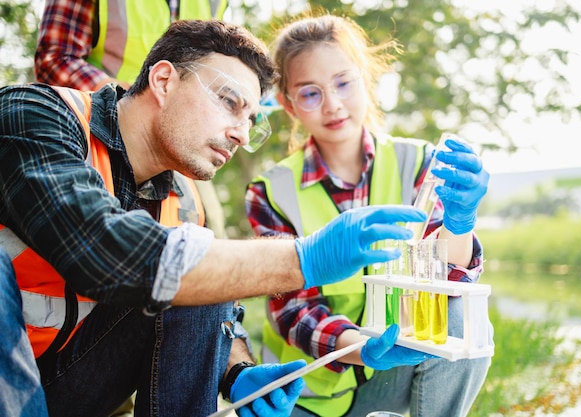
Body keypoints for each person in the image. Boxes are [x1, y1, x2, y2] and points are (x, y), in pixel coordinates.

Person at [0, 19, 428, 417]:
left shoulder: (185, 201)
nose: (242, 134)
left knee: (204, 266)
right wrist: (303, 259)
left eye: (250, 120)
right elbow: (99, 247)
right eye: (229, 102)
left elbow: (213, 298)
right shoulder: (37, 115)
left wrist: (237, 371)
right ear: (164, 80)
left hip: (66, 382)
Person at [245, 14, 492, 417]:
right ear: (289, 105)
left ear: (366, 78)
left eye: (344, 82)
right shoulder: (271, 192)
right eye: (310, 93)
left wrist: (459, 224)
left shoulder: (419, 164)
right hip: (307, 391)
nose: (333, 105)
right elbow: (294, 312)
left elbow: (446, 287)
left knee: (464, 320)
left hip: (391, 373)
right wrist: (359, 347)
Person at [35, 0, 229, 239]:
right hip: (98, 127)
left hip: (182, 135)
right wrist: (133, 100)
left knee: (210, 230)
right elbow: (55, 59)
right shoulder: (29, 111)